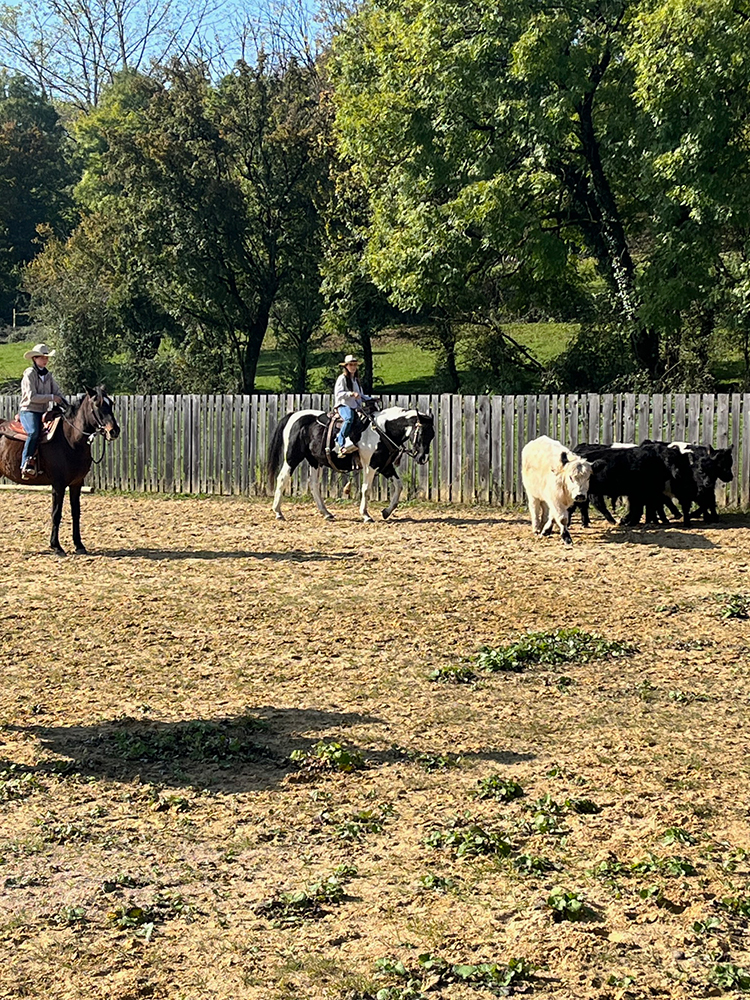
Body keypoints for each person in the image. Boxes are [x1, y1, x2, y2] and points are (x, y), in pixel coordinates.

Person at [19, 343, 67, 478]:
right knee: (33, 432)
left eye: (46, 358)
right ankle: (25, 462)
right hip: (29, 410)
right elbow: (31, 396)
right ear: (34, 359)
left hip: (44, 412)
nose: (45, 360)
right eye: (42, 357)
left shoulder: (48, 375)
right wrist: (52, 397)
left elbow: (57, 392)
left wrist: (66, 404)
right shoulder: (30, 374)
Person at [333, 354, 373, 458]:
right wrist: (350, 394)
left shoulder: (356, 380)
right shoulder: (342, 378)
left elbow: (361, 395)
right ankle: (340, 440)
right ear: (346, 366)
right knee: (349, 419)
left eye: (355, 365)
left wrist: (371, 399)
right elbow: (338, 394)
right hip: (343, 405)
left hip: (355, 407)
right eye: (351, 365)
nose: (353, 367)